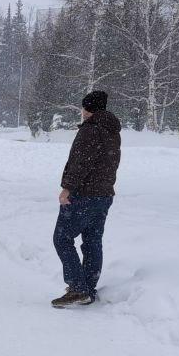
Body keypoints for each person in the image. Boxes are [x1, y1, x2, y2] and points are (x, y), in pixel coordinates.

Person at [52, 90, 121, 308]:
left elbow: (80, 163)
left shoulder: (90, 130)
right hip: (104, 195)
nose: (82, 111)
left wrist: (67, 189)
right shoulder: (112, 131)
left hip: (84, 195)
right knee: (92, 241)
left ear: (88, 108)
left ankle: (77, 288)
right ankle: (88, 288)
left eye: (83, 107)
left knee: (62, 238)